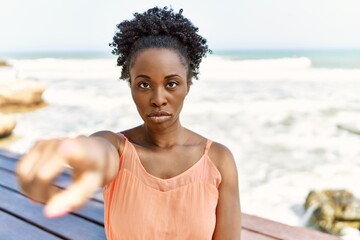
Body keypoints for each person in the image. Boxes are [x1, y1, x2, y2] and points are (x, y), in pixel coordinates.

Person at [16, 6, 241, 240]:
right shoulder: (117, 147)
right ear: (131, 85)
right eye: (144, 84)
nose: (158, 99)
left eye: (171, 84)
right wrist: (81, 151)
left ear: (188, 85)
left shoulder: (219, 160)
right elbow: (100, 152)